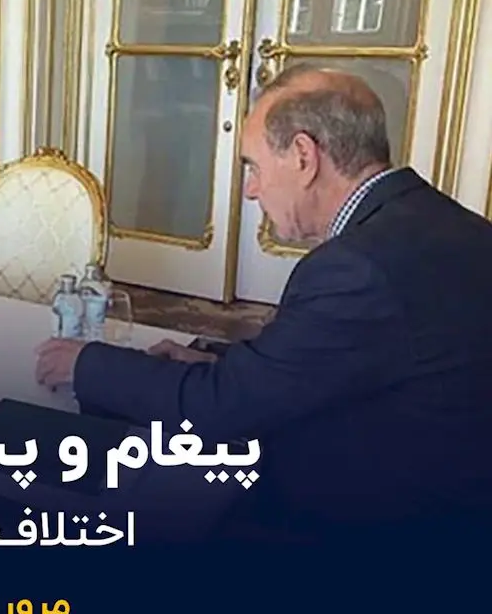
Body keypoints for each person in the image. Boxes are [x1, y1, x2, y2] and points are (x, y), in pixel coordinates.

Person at [34, 64, 492, 542]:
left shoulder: (358, 267)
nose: (251, 189)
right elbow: (338, 357)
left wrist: (84, 364)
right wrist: (219, 361)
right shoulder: (440, 222)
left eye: (253, 166)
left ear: (303, 156)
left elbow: (222, 408)